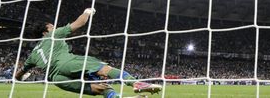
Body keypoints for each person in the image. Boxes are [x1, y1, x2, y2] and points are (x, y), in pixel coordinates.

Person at [15, 8, 161, 98]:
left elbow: (19, 73)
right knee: (105, 69)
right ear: (45, 30)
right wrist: (88, 12)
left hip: (57, 80)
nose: (54, 26)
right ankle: (135, 83)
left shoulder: (33, 54)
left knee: (100, 88)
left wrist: (21, 78)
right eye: (51, 25)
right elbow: (80, 23)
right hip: (66, 63)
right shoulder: (53, 34)